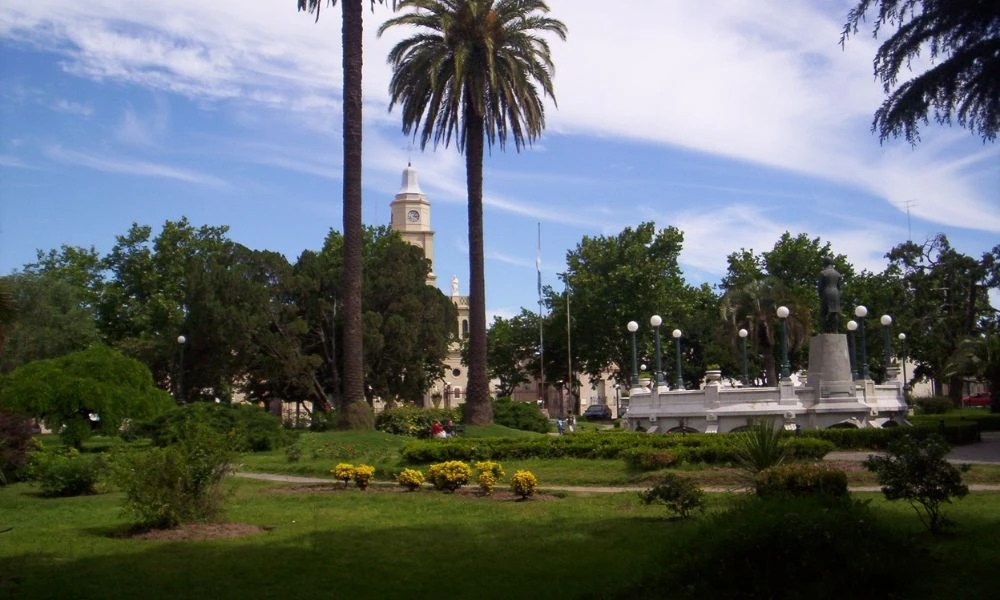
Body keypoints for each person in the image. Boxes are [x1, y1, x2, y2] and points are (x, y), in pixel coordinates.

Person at [817, 256, 843, 333]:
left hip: (826, 292)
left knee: (823, 313)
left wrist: (820, 295)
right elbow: (839, 287)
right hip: (836, 293)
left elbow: (820, 287)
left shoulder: (823, 273)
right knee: (834, 312)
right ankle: (836, 330)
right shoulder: (837, 274)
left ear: (824, 263)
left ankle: (823, 330)